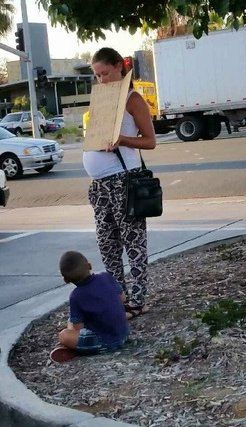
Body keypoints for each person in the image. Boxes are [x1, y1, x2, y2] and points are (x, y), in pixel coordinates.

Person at [83, 47, 157, 319]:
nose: (101, 80)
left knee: (133, 242)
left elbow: (150, 142)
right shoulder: (103, 99)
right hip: (100, 184)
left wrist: (123, 140)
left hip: (123, 180)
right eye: (97, 76)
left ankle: (136, 302)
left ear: (118, 66)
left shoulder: (132, 98)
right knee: (108, 244)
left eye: (104, 73)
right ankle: (118, 298)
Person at [50, 251, 129, 363]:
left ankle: (71, 347)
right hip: (124, 332)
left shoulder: (76, 296)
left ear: (66, 280)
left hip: (105, 342)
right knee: (74, 320)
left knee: (64, 334)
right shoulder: (106, 277)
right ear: (89, 265)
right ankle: (75, 347)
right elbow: (123, 298)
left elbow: (78, 328)